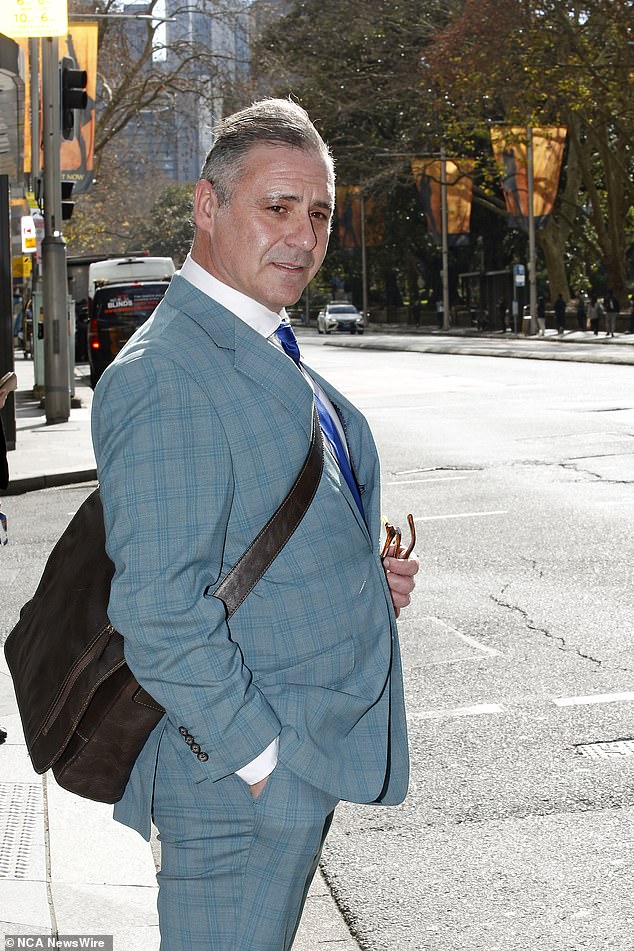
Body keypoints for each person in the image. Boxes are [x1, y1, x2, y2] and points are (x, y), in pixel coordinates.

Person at [91, 99, 418, 951]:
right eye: (277, 207)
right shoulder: (168, 372)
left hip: (272, 766)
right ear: (207, 206)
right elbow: (160, 612)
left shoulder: (257, 340)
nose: (304, 238)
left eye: (318, 214)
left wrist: (359, 574)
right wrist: (267, 766)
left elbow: (248, 528)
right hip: (235, 788)